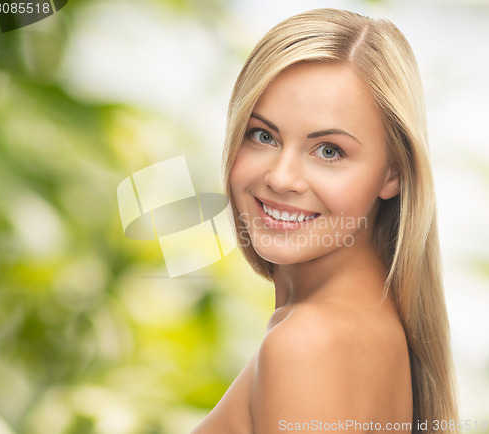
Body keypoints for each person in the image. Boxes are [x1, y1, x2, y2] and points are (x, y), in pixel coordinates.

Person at [191, 8, 458, 434]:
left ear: (394, 173)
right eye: (263, 135)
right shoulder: (369, 329)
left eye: (329, 150)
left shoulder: (309, 343)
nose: (280, 178)